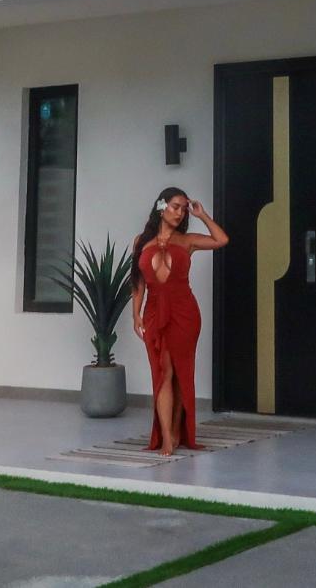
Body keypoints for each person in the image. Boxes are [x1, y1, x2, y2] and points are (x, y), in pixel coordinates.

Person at [130, 187, 228, 456]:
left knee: (180, 372)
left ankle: (174, 431)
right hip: (153, 312)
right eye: (175, 206)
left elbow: (221, 240)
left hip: (184, 313)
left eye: (184, 209)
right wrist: (136, 314)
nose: (180, 213)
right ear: (161, 207)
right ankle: (166, 436)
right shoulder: (140, 242)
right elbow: (138, 282)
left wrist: (202, 214)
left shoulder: (187, 241)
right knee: (163, 372)